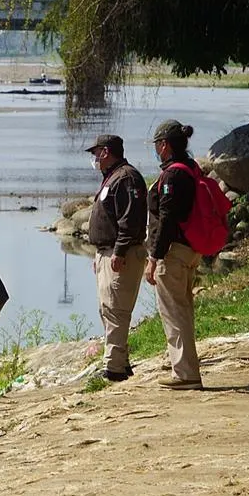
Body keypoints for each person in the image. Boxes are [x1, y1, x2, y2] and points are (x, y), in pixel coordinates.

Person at [144, 120, 203, 390]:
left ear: (165, 145)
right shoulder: (191, 168)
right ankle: (184, 367)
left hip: (174, 252)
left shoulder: (172, 176)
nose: (156, 150)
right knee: (183, 310)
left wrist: (154, 258)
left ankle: (186, 374)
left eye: (157, 145)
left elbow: (167, 218)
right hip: (191, 249)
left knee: (174, 313)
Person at [85, 134, 148, 381]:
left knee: (116, 310)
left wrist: (119, 251)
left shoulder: (126, 178)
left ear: (106, 152)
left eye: (96, 153)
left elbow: (130, 221)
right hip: (106, 253)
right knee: (108, 309)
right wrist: (99, 253)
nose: (94, 159)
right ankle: (120, 362)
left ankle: (114, 368)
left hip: (120, 254)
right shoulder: (112, 178)